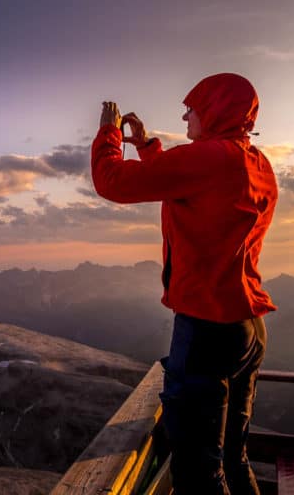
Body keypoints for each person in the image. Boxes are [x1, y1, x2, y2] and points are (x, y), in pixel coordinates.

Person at [90, 73, 277, 495]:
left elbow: (112, 182)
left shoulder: (208, 159)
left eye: (191, 107)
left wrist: (108, 134)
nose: (184, 115)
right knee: (233, 456)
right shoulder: (255, 162)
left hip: (207, 330)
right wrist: (147, 146)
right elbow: (183, 179)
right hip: (248, 326)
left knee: (197, 473)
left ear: (213, 110)